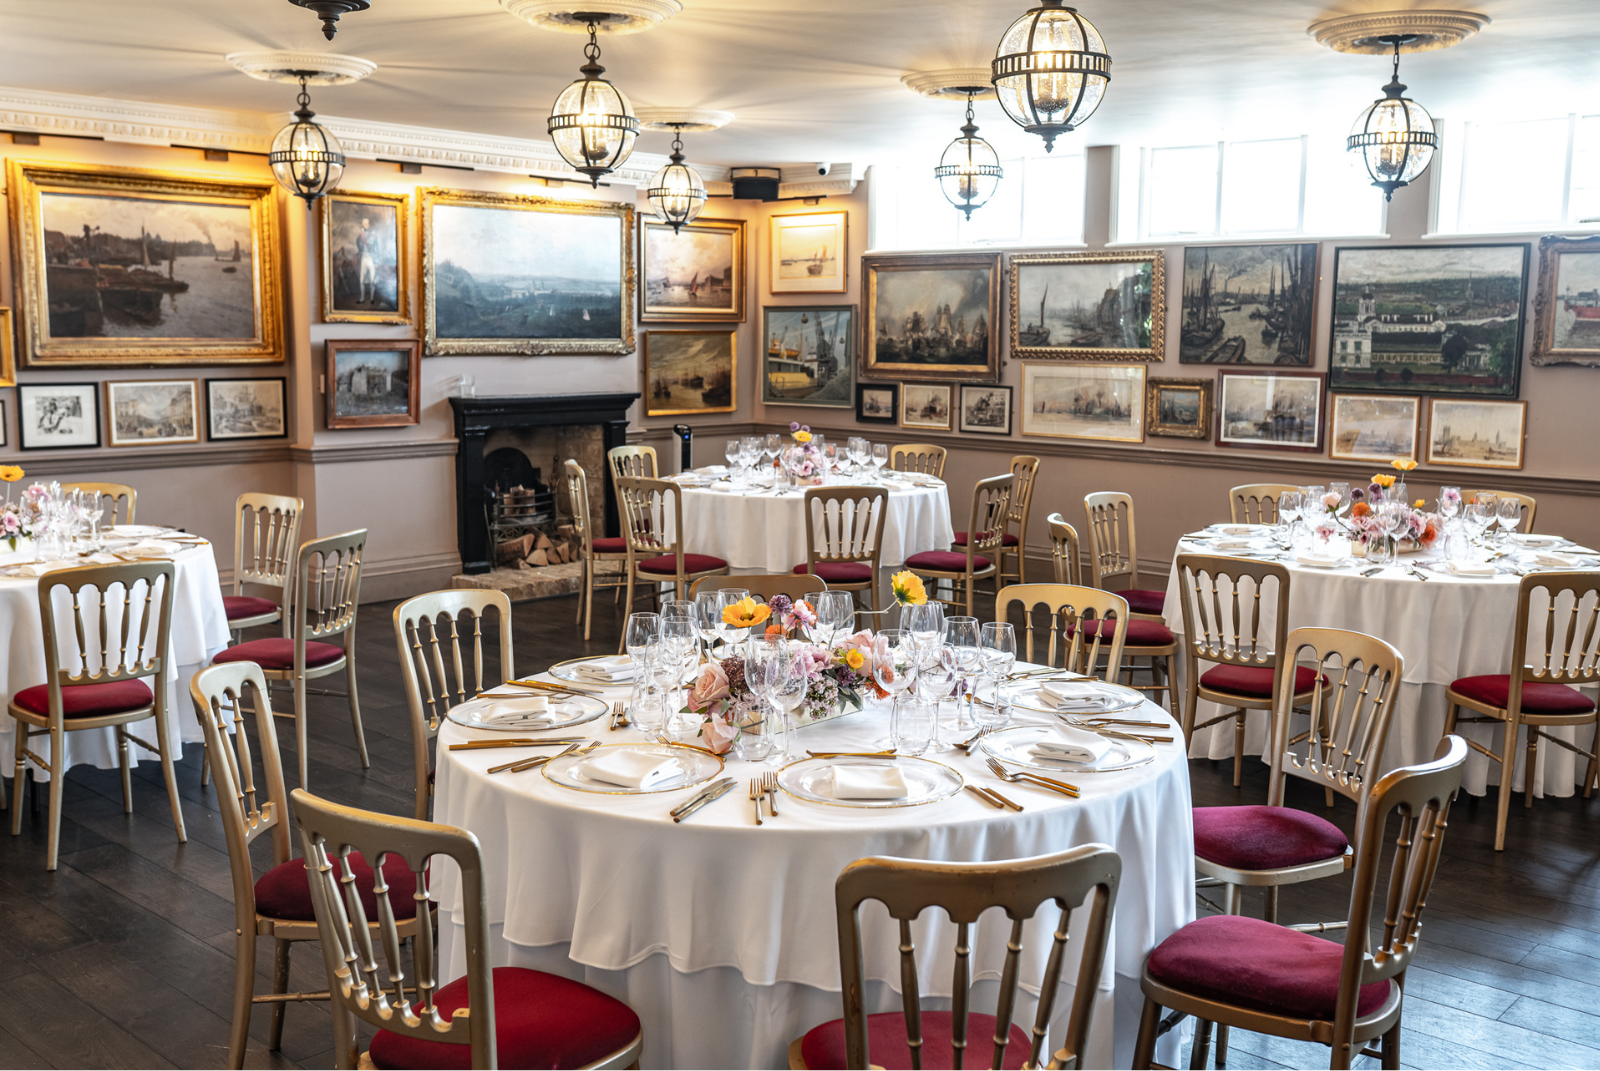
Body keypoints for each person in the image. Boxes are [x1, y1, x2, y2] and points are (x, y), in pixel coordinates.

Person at [356, 217, 377, 305]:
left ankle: (372, 298)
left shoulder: (373, 234)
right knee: (361, 280)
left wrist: (376, 261)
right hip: (363, 258)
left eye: (368, 224)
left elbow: (376, 247)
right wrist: (360, 236)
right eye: (365, 224)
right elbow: (358, 245)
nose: (367, 225)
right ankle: (362, 299)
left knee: (373, 280)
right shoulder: (360, 235)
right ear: (363, 225)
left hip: (371, 259)